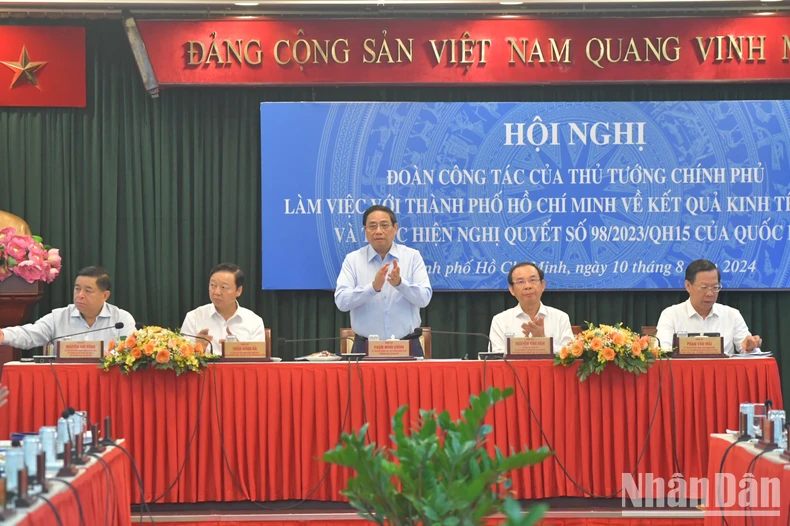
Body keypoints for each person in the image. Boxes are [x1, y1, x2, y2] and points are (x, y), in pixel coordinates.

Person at [335, 205, 432, 356]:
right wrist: (373, 288)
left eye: (384, 225)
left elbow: (424, 299)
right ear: (365, 230)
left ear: (395, 228)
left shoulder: (412, 257)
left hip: (407, 346)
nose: (378, 231)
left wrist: (400, 284)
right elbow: (341, 302)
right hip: (365, 348)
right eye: (372, 226)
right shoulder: (353, 260)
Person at [0, 266, 135, 349]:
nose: (80, 295)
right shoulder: (59, 317)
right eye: (77, 289)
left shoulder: (121, 319)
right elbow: (30, 334)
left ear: (105, 295)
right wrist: (3, 335)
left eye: (88, 291)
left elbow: (128, 351)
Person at [655, 259, 762, 355]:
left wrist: (750, 348)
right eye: (703, 287)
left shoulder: (731, 314)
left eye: (715, 287)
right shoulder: (671, 315)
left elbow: (751, 352)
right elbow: (663, 352)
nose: (710, 294)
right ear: (688, 286)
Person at [489, 262, 574, 354]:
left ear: (543, 285)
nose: (528, 286)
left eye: (532, 280)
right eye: (520, 282)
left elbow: (569, 354)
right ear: (512, 290)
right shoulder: (500, 320)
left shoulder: (560, 318)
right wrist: (528, 346)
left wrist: (542, 340)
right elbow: (496, 356)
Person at [181, 263, 265, 356]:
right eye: (213, 285)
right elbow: (181, 357)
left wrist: (239, 351)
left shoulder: (254, 322)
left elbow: (259, 361)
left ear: (238, 291)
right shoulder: (194, 317)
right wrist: (196, 348)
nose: (217, 292)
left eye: (224, 287)